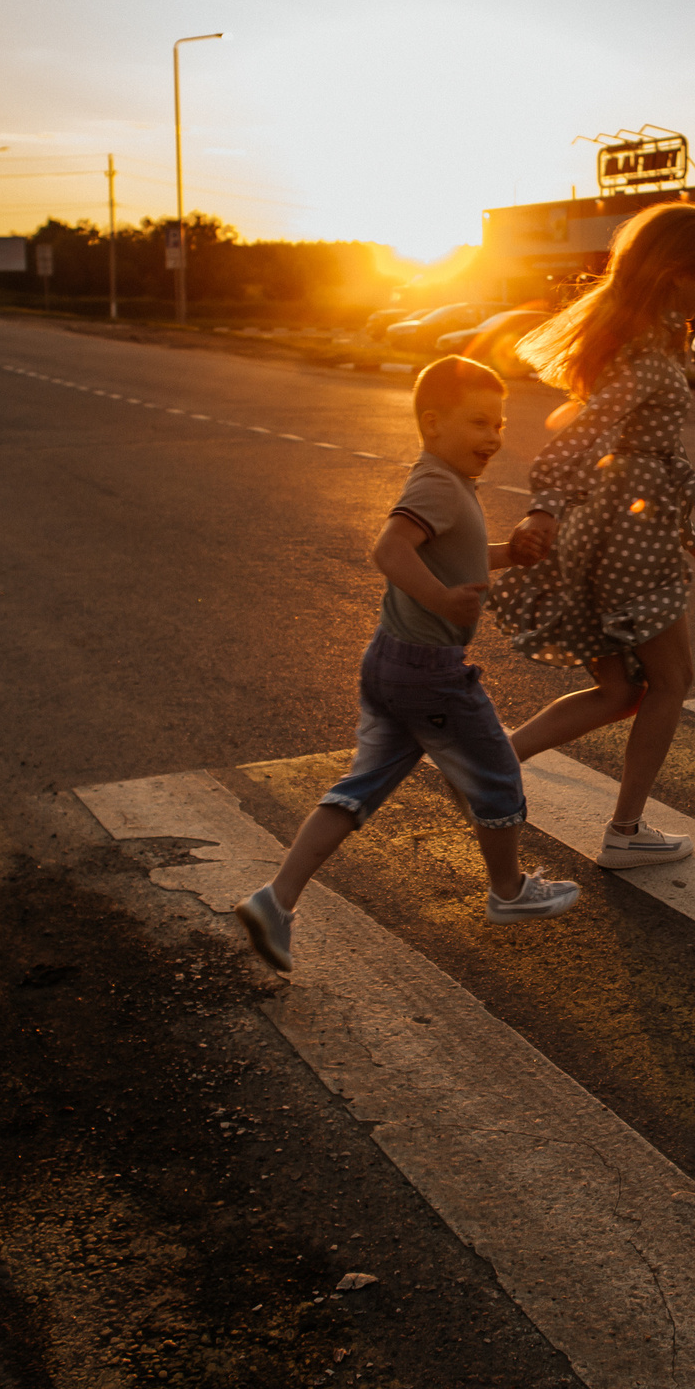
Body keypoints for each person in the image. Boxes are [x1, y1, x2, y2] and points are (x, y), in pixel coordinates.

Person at [236, 356, 574, 973]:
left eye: (499, 424)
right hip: (430, 672)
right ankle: (508, 891)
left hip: (390, 663)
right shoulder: (438, 485)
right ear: (433, 422)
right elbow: (389, 549)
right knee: (498, 773)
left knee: (358, 789)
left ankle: (275, 900)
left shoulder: (445, 481)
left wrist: (509, 554)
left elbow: (451, 555)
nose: (494, 437)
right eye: (479, 422)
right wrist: (441, 600)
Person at [491, 201, 695, 869]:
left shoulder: (648, 344)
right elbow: (582, 439)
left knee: (623, 692)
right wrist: (543, 507)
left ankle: (492, 764)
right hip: (631, 539)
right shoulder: (645, 356)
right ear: (676, 271)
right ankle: (626, 832)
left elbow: (648, 454)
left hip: (624, 529)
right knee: (673, 680)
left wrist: (688, 530)